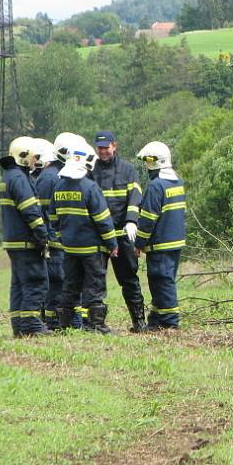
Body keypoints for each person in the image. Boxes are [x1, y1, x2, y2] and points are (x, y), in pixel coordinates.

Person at [51, 143, 119, 334]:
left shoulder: (58, 187)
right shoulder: (90, 188)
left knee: (70, 285)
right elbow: (103, 220)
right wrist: (112, 243)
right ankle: (95, 324)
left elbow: (54, 219)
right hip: (91, 250)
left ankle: (63, 325)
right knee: (94, 286)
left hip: (70, 248)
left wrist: (62, 238)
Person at [90, 131, 146, 332]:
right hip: (99, 237)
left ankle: (139, 321)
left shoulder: (128, 170)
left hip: (123, 235)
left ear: (115, 146)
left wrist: (131, 221)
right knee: (94, 281)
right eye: (100, 148)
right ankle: (95, 323)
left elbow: (135, 197)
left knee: (129, 279)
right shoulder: (91, 171)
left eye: (106, 147)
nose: (103, 151)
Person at [0, 136, 51, 338]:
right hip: (25, 241)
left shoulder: (9, 176)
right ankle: (30, 325)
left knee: (19, 284)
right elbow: (30, 211)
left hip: (13, 240)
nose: (35, 160)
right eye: (33, 156)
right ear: (24, 156)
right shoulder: (19, 179)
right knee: (36, 282)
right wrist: (42, 235)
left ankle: (19, 325)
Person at [134, 141, 186, 330]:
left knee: (162, 281)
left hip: (161, 244)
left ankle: (170, 322)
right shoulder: (177, 182)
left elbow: (147, 220)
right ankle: (156, 320)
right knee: (159, 282)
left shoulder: (156, 186)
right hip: (175, 242)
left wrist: (138, 243)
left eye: (147, 162)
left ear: (154, 162)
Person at [32, 138, 64, 331]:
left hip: (54, 237)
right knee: (55, 280)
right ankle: (51, 321)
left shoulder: (48, 176)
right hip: (54, 239)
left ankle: (50, 319)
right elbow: (46, 212)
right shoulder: (50, 177)